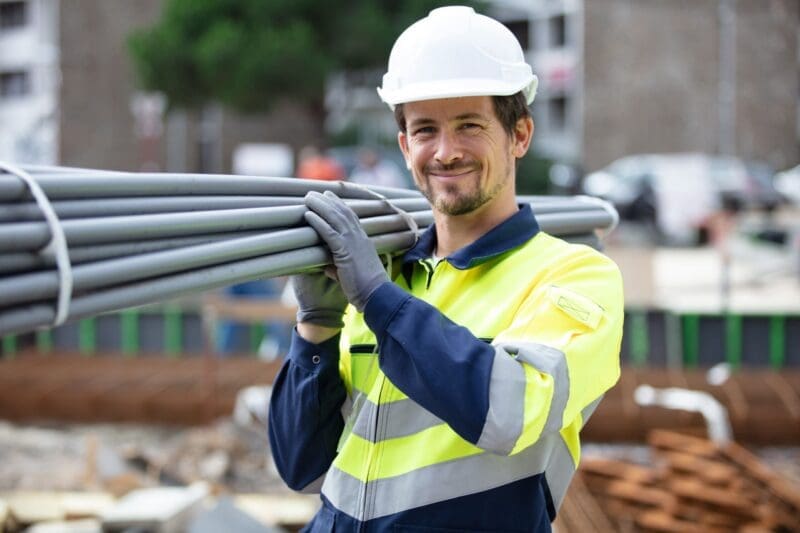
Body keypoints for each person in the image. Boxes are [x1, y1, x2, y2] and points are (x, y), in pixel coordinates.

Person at [268, 6, 623, 531]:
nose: (446, 151)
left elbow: (506, 411)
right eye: (425, 129)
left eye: (470, 126)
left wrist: (377, 299)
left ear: (520, 135)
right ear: (404, 145)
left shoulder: (573, 276)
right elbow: (300, 466)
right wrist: (316, 325)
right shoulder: (386, 274)